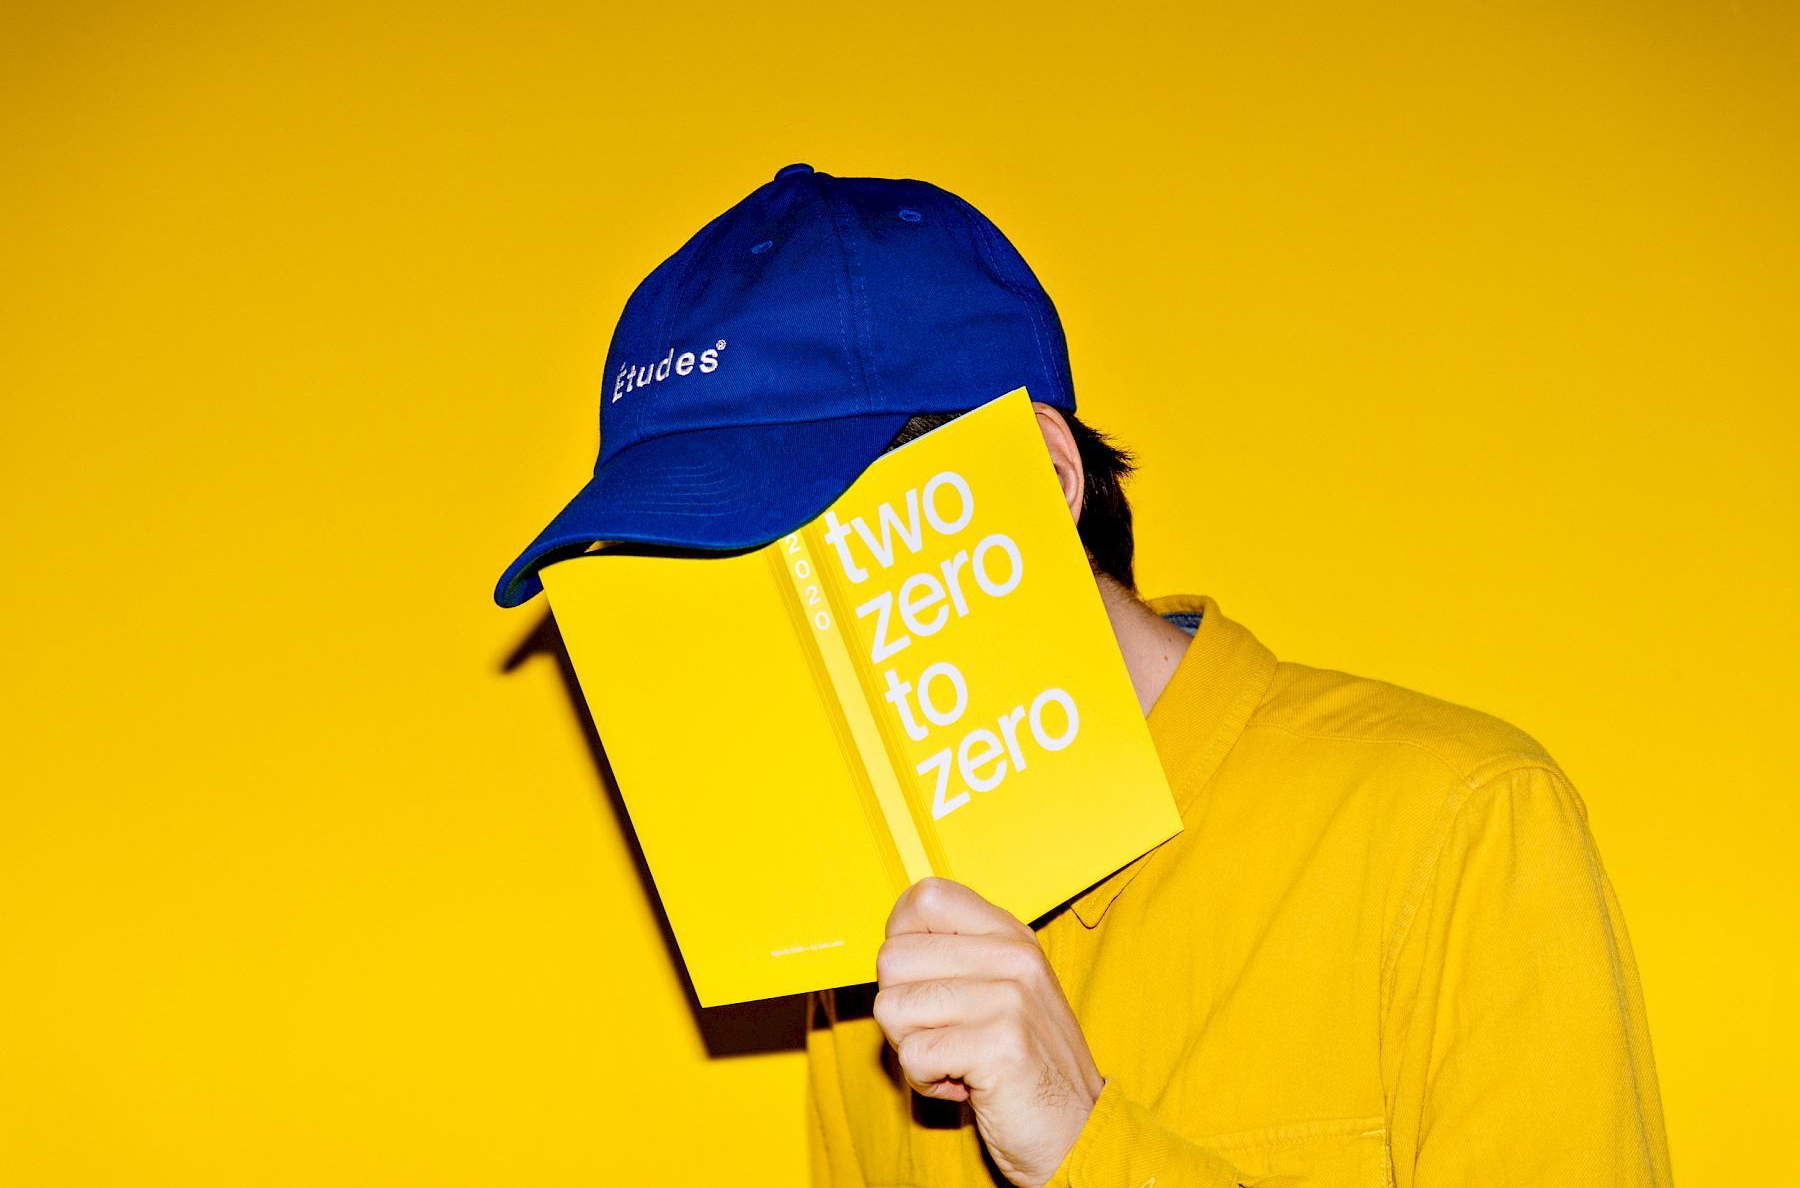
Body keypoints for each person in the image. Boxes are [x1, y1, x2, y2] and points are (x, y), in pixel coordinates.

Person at [494, 165, 1672, 1187]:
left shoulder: (1455, 828)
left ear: (1041, 478)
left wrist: (1083, 1143)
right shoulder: (860, 941)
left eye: (787, 536)